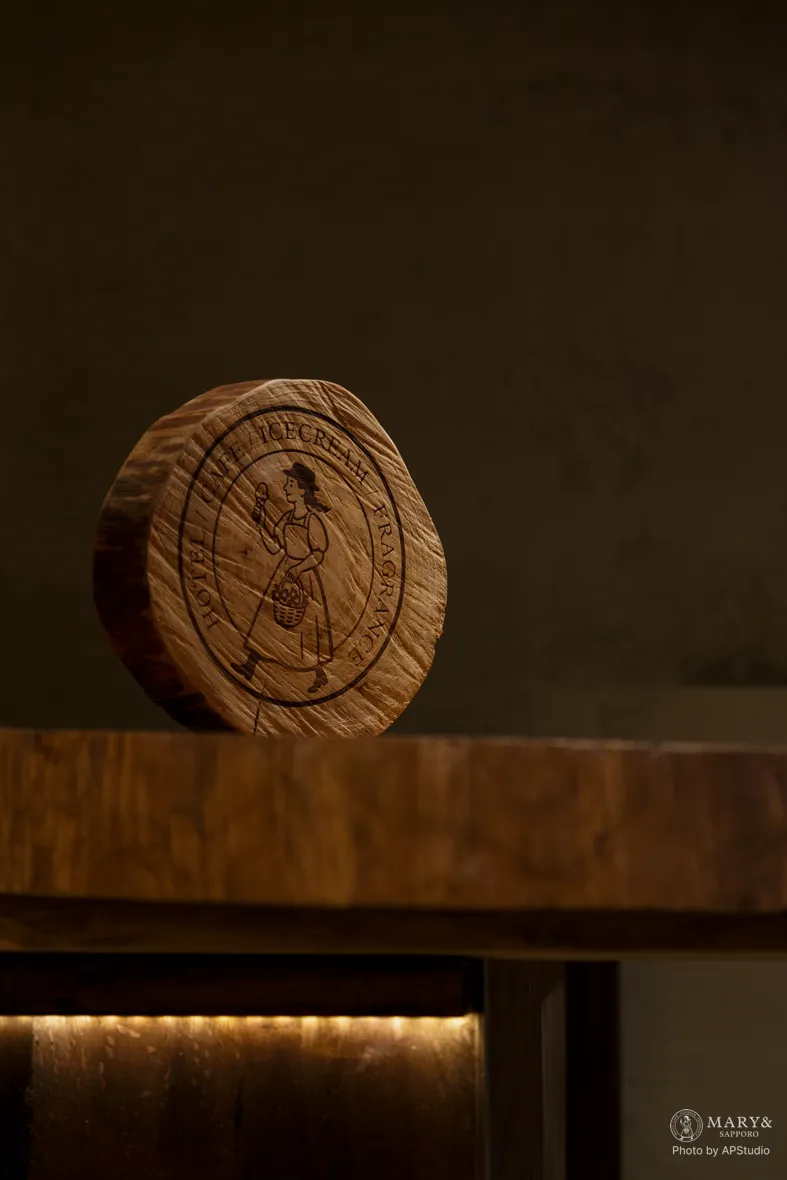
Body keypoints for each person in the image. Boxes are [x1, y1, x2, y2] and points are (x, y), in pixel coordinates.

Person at [231, 463, 334, 694]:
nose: (285, 487)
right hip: (285, 569)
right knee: (267, 618)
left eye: (290, 484)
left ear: (301, 490)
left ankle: (320, 675)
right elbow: (276, 542)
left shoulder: (313, 520)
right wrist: (261, 518)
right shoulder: (287, 516)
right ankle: (251, 665)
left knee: (307, 629)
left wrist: (299, 569)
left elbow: (318, 553)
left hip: (305, 575)